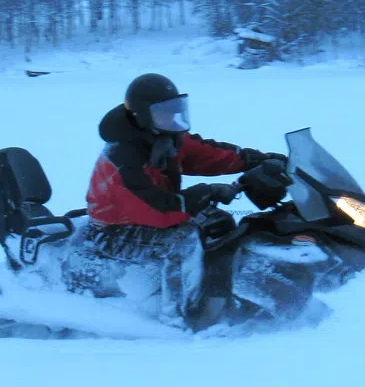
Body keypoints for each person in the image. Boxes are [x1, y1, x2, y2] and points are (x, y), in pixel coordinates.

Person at [72, 73, 287, 325]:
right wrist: (203, 194)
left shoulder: (163, 137)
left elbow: (207, 154)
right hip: (114, 230)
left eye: (175, 108)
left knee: (220, 223)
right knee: (184, 242)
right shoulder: (124, 157)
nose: (172, 116)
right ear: (142, 115)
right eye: (163, 111)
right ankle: (183, 316)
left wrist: (257, 159)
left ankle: (224, 293)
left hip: (151, 214)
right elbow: (155, 209)